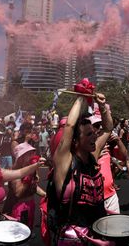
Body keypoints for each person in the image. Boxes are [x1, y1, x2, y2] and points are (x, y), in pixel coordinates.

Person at [50, 92, 113, 244]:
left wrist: (103, 106)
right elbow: (70, 125)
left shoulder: (93, 154)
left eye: (94, 133)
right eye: (89, 134)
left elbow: (108, 129)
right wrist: (82, 96)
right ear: (76, 141)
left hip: (96, 233)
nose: (94, 137)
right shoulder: (65, 161)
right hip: (71, 238)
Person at [3, 142, 46, 230]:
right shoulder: (16, 171)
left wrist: (45, 194)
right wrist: (29, 175)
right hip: (19, 207)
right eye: (29, 153)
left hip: (30, 205)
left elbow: (34, 186)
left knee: (28, 230)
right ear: (21, 157)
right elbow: (19, 193)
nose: (32, 155)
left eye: (32, 153)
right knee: (20, 233)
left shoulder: (29, 168)